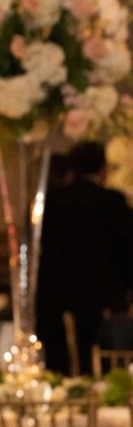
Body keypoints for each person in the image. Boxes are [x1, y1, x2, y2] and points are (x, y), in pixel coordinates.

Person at [36, 141, 133, 374]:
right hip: (102, 296)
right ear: (102, 168)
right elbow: (127, 247)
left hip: (56, 294)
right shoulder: (111, 201)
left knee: (62, 363)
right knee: (104, 360)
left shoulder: (51, 202)